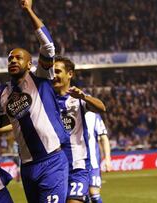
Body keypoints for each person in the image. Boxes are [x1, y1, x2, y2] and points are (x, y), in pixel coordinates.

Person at [0, 1, 69, 202]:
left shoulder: (40, 77)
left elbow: (48, 46)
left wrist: (29, 10)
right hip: (28, 167)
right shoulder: (3, 93)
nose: (13, 61)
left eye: (18, 58)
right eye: (10, 59)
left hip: (52, 161)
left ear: (29, 63)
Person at [52, 55, 106, 203]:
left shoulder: (78, 98)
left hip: (78, 165)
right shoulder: (46, 100)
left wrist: (84, 97)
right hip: (53, 167)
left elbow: (101, 108)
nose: (54, 75)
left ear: (70, 74)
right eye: (52, 72)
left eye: (57, 71)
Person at [85, 112, 111, 203]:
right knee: (82, 197)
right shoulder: (69, 113)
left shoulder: (94, 115)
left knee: (94, 194)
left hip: (92, 162)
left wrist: (108, 159)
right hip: (75, 162)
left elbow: (104, 138)